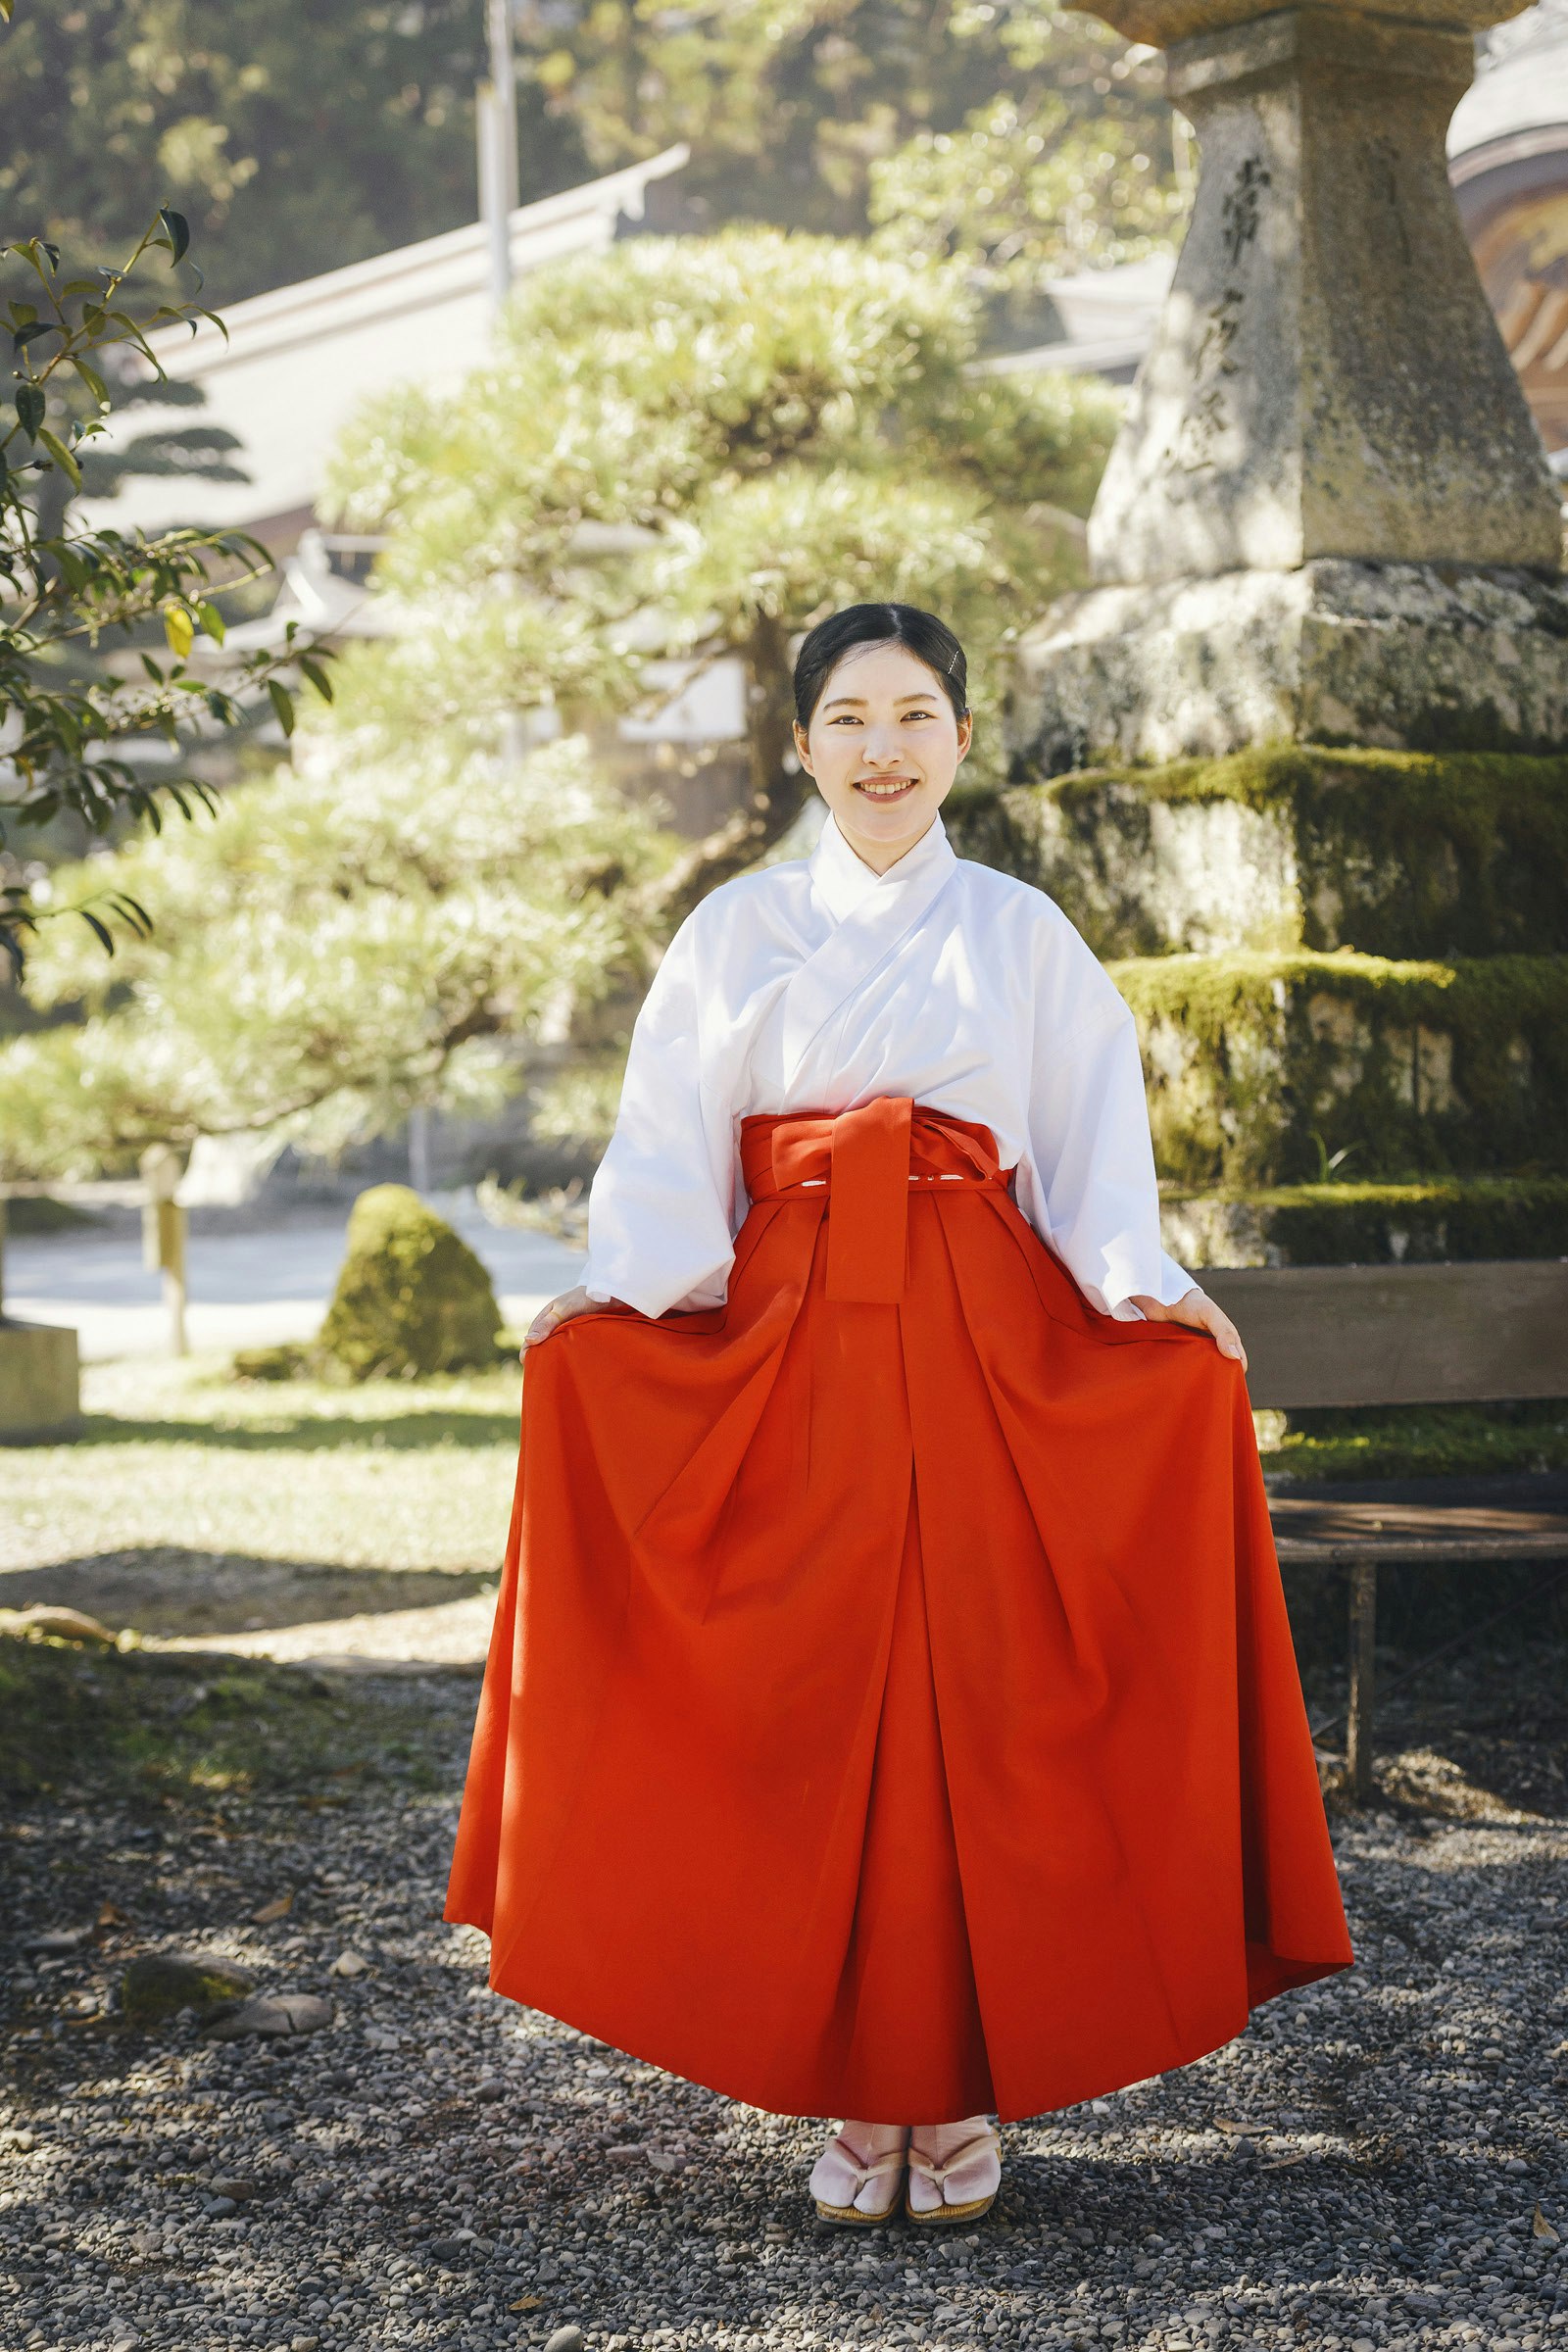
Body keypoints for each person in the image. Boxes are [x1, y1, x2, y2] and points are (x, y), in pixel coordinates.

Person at [446, 602, 1353, 2229]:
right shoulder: (734, 929)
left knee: (978, 1700)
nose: (883, 748)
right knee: (810, 1695)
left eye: (915, 714)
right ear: (802, 745)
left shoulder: (1021, 932)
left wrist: (1147, 1290)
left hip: (987, 1334)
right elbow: (670, 1143)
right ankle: (859, 2095)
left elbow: (1085, 1144)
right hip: (791, 1338)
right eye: (850, 718)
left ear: (959, 739)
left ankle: (959, 2097)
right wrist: (624, 1290)